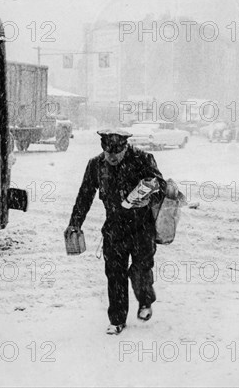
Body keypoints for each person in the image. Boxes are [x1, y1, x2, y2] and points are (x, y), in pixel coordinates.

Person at [64, 129, 166, 335]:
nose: (111, 157)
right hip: (114, 229)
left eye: (116, 153)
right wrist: (75, 223)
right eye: (107, 152)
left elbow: (161, 186)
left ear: (125, 147)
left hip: (141, 227)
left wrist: (150, 198)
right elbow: (85, 195)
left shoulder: (142, 159)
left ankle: (145, 301)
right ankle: (117, 319)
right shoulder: (96, 165)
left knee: (140, 270)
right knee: (114, 274)